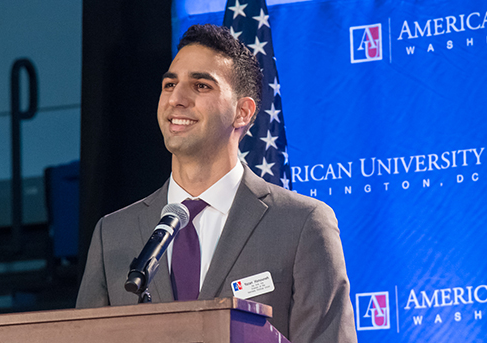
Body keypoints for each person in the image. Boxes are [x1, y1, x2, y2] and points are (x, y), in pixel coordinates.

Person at [76, 24, 357, 342]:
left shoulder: (302, 224)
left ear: (243, 112)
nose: (176, 99)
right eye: (170, 85)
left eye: (200, 86)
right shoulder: (112, 234)